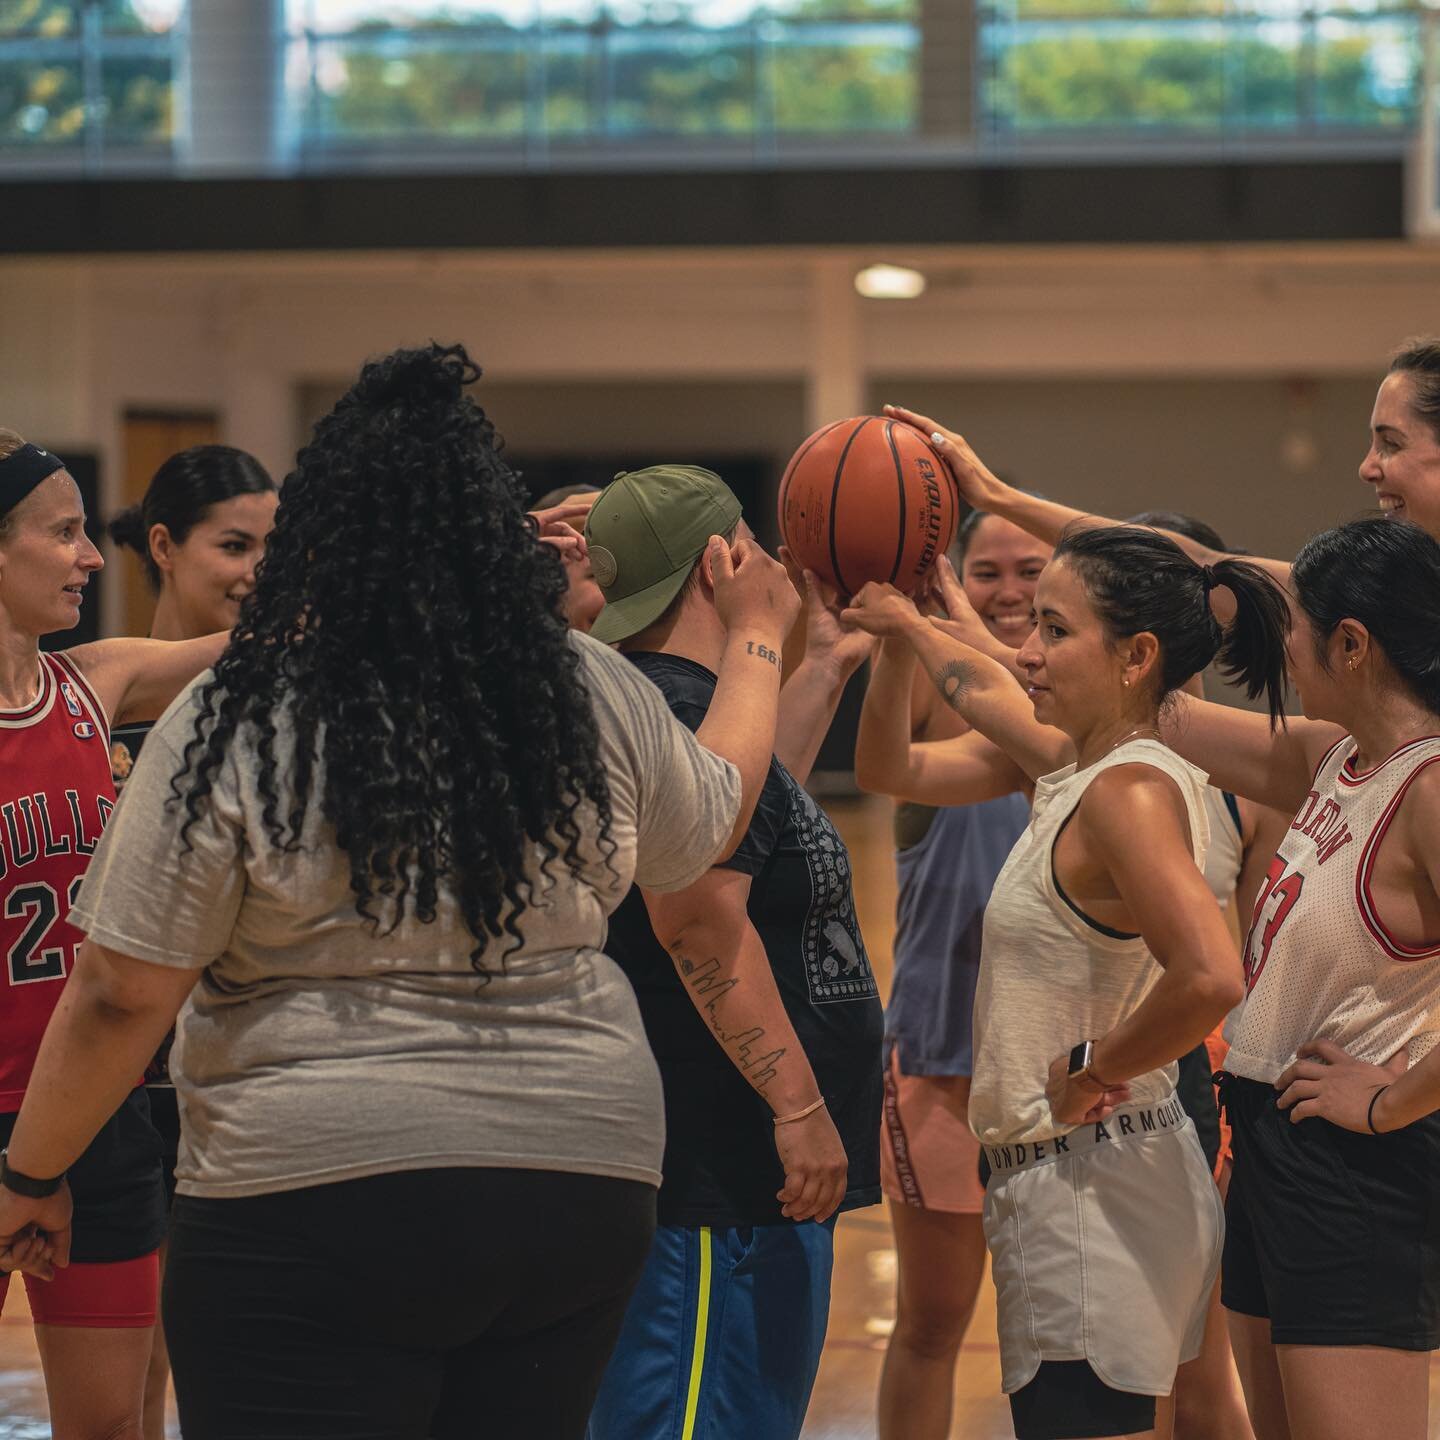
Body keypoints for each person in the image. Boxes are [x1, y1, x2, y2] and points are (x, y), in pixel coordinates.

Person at [0, 345, 802, 1440]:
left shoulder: (242, 708)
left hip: (311, 1188)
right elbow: (703, 825)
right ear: (490, 527)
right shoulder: (586, 684)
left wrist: (33, 1166)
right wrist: (761, 642)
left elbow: (120, 991)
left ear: (321, 538)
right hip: (576, 1181)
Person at [844, 522, 1290, 1440]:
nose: (1024, 650)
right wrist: (908, 627)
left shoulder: (1125, 792)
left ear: (1136, 657)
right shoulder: (1087, 766)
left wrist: (1093, 1065)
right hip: (1088, 1173)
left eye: (1053, 629)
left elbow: (1210, 975)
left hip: (1091, 1180)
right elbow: (976, 690)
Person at [582, 466, 883, 1440]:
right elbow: (699, 911)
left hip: (720, 1167)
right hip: (716, 1170)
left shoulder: (668, 703)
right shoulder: (674, 710)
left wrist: (824, 662)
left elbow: (745, 803)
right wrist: (799, 1108)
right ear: (722, 561)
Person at [1129, 517, 1440, 1440]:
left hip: (1359, 1163)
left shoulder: (1429, 785)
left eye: (1296, 628)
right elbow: (1148, 710)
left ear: (1353, 644)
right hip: (1273, 1135)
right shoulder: (1333, 757)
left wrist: (1395, 1102)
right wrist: (935, 626)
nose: (1281, 649)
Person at [0, 428, 233, 1440]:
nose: (94, 556)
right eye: (65, 533)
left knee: (114, 1429)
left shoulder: (95, 684)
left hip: (95, 1112)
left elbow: (279, 644)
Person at [854, 508, 1048, 1440]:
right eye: (988, 572)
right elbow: (882, 760)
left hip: (1069, 1069)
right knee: (933, 1323)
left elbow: (1034, 696)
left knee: (1067, 1330)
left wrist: (931, 622)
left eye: (1031, 572)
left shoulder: (1071, 707)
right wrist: (904, 639)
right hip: (943, 1059)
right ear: (954, 577)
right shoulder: (948, 694)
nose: (1009, 593)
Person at [107, 441, 278, 1440]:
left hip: (230, 1078)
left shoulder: (285, 711)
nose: (257, 568)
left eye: (275, 545)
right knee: (117, 1382)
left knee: (198, 1357)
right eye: (234, 544)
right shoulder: (97, 696)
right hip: (102, 1076)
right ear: (164, 547)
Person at [877, 335, 1440, 603]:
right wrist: (997, 496)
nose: (1367, 468)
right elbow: (1196, 562)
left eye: (1390, 444)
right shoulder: (1388, 586)